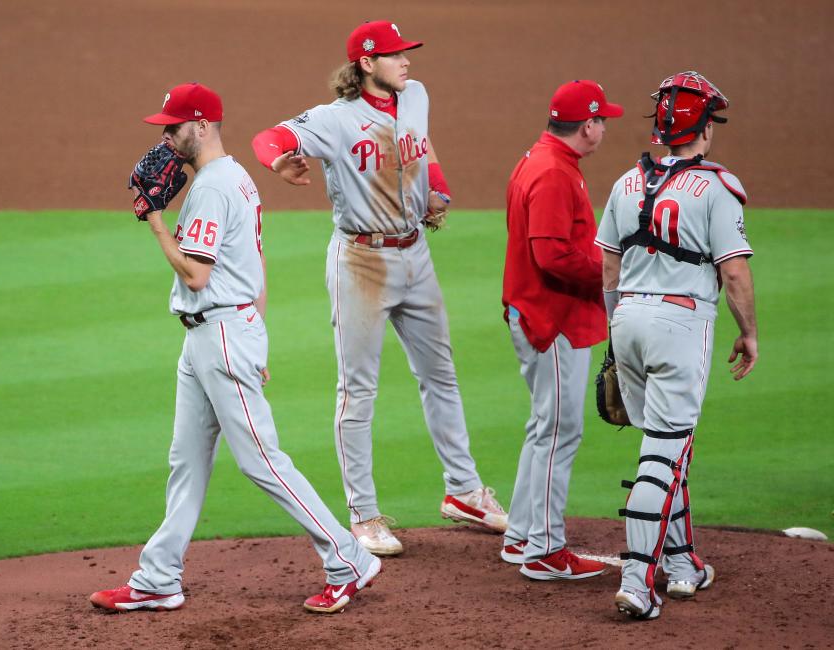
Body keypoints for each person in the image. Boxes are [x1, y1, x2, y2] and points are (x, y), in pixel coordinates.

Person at [90, 82, 381, 615]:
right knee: (187, 462)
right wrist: (257, 337)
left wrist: (155, 222)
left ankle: (348, 558)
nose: (166, 140)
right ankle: (158, 577)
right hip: (216, 337)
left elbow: (197, 274)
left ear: (201, 126)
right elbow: (255, 265)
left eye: (173, 128)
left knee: (262, 462)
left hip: (220, 334)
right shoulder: (239, 179)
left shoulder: (212, 189)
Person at [251, 20, 506, 556]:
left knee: (441, 375)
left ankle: (463, 491)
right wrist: (280, 161)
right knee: (358, 391)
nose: (407, 61)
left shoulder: (415, 96)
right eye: (395, 54)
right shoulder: (334, 120)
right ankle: (363, 516)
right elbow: (270, 136)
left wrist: (438, 190)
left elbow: (424, 145)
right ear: (366, 64)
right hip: (361, 262)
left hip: (417, 253)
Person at [595, 71, 756, 620]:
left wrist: (616, 337)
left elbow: (609, 267)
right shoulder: (717, 186)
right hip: (681, 324)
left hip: (629, 318)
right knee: (664, 452)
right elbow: (733, 274)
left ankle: (683, 564)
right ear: (704, 128)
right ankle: (639, 582)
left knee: (668, 444)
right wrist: (749, 332)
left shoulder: (625, 182)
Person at [499, 80, 623, 580]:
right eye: (602, 119)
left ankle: (521, 535)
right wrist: (612, 271)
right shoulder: (553, 172)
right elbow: (550, 255)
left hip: (540, 312)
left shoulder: (545, 159)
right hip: (550, 319)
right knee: (558, 431)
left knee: (544, 427)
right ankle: (545, 549)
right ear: (587, 125)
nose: (605, 127)